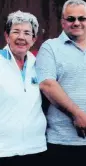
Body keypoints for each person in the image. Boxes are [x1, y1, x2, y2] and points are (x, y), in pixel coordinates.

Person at [35, 0, 86, 165]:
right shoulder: (50, 47)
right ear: (62, 22)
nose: (77, 23)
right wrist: (77, 114)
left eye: (82, 18)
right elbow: (47, 84)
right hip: (60, 141)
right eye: (71, 19)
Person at [0, 10, 47, 165]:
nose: (21, 37)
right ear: (7, 36)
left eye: (27, 33)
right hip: (4, 150)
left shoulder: (39, 65)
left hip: (36, 148)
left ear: (33, 39)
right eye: (16, 32)